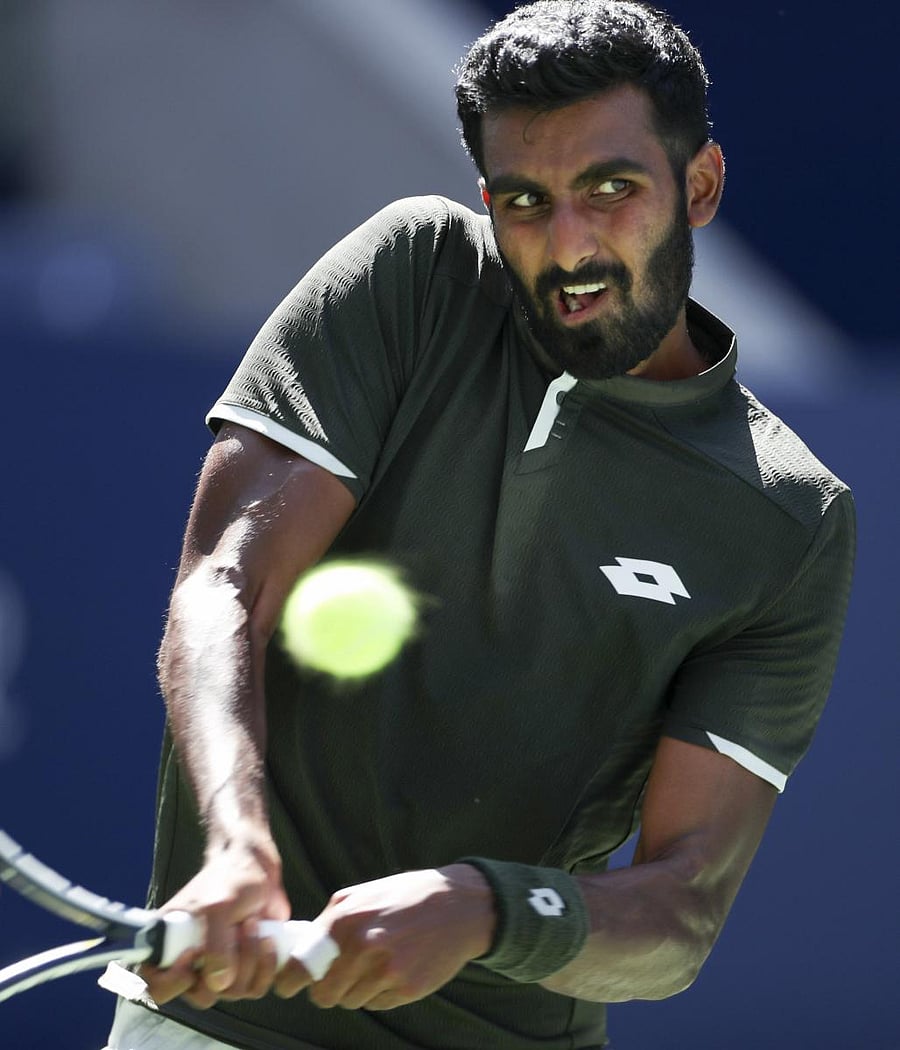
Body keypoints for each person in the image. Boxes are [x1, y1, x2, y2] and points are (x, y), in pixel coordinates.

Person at [103, 2, 855, 1048]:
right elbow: (227, 582)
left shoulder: (790, 518)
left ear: (701, 187)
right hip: (220, 1029)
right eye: (525, 201)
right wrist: (238, 842)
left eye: (612, 190)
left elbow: (680, 919)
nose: (569, 245)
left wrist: (485, 909)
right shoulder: (412, 274)